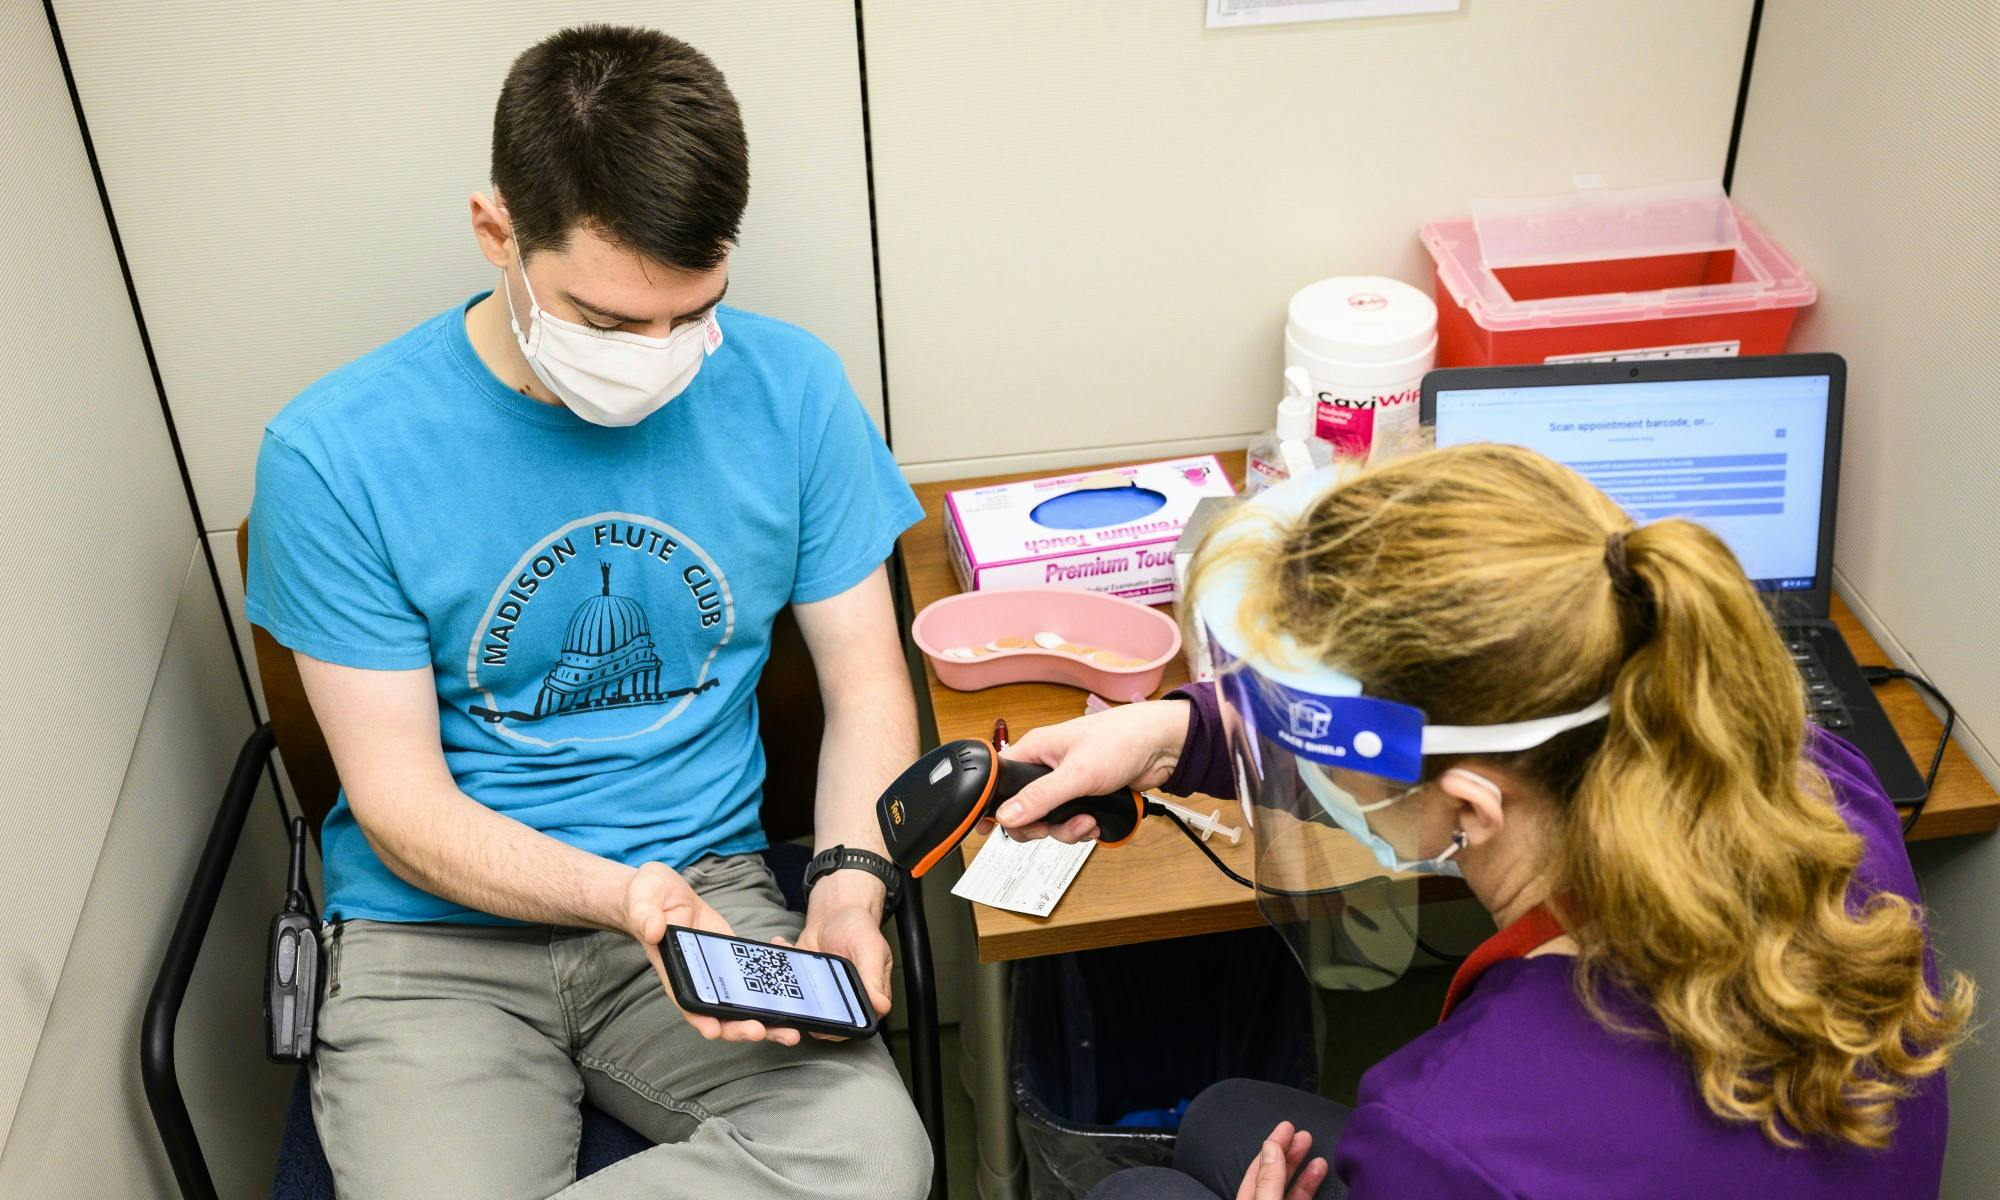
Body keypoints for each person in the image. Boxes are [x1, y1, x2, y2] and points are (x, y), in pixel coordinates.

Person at [245, 26, 930, 1200]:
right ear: (496, 231)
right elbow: (402, 810)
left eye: (694, 312)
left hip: (709, 900)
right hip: (433, 943)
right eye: (609, 323)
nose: (659, 357)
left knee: (872, 1161)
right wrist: (617, 899)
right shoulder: (334, 455)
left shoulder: (791, 390)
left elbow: (867, 685)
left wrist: (846, 888)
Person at [993, 443, 1972, 1199]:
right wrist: (1176, 734)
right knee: (1222, 1117)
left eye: (1337, 758)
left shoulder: (1448, 1134)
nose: (1323, 772)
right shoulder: (1816, 784)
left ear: (1471, 806)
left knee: (1136, 1190)